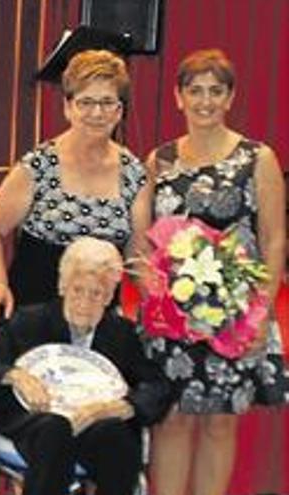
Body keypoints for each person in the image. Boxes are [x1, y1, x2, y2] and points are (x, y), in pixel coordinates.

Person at [139, 48, 288, 495]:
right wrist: (149, 285)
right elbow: (143, 237)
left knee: (220, 423)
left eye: (215, 91)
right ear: (178, 97)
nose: (205, 101)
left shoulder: (257, 158)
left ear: (230, 97)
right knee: (173, 419)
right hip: (172, 312)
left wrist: (262, 311)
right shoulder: (158, 160)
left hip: (237, 312)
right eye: (195, 91)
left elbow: (275, 239)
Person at [0, 237, 172, 495]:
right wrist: (15, 376)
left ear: (109, 297)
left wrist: (122, 407)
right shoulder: (29, 321)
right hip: (33, 423)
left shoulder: (121, 334)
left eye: (97, 293)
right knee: (55, 429)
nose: (85, 301)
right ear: (62, 287)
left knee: (116, 436)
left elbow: (158, 386)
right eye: (78, 289)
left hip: (95, 426)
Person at [0, 49, 149, 325]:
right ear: (68, 107)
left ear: (119, 112)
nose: (96, 112)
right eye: (86, 102)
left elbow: (138, 258)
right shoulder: (39, 166)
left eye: (107, 102)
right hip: (31, 318)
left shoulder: (135, 174)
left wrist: (160, 303)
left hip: (99, 323)